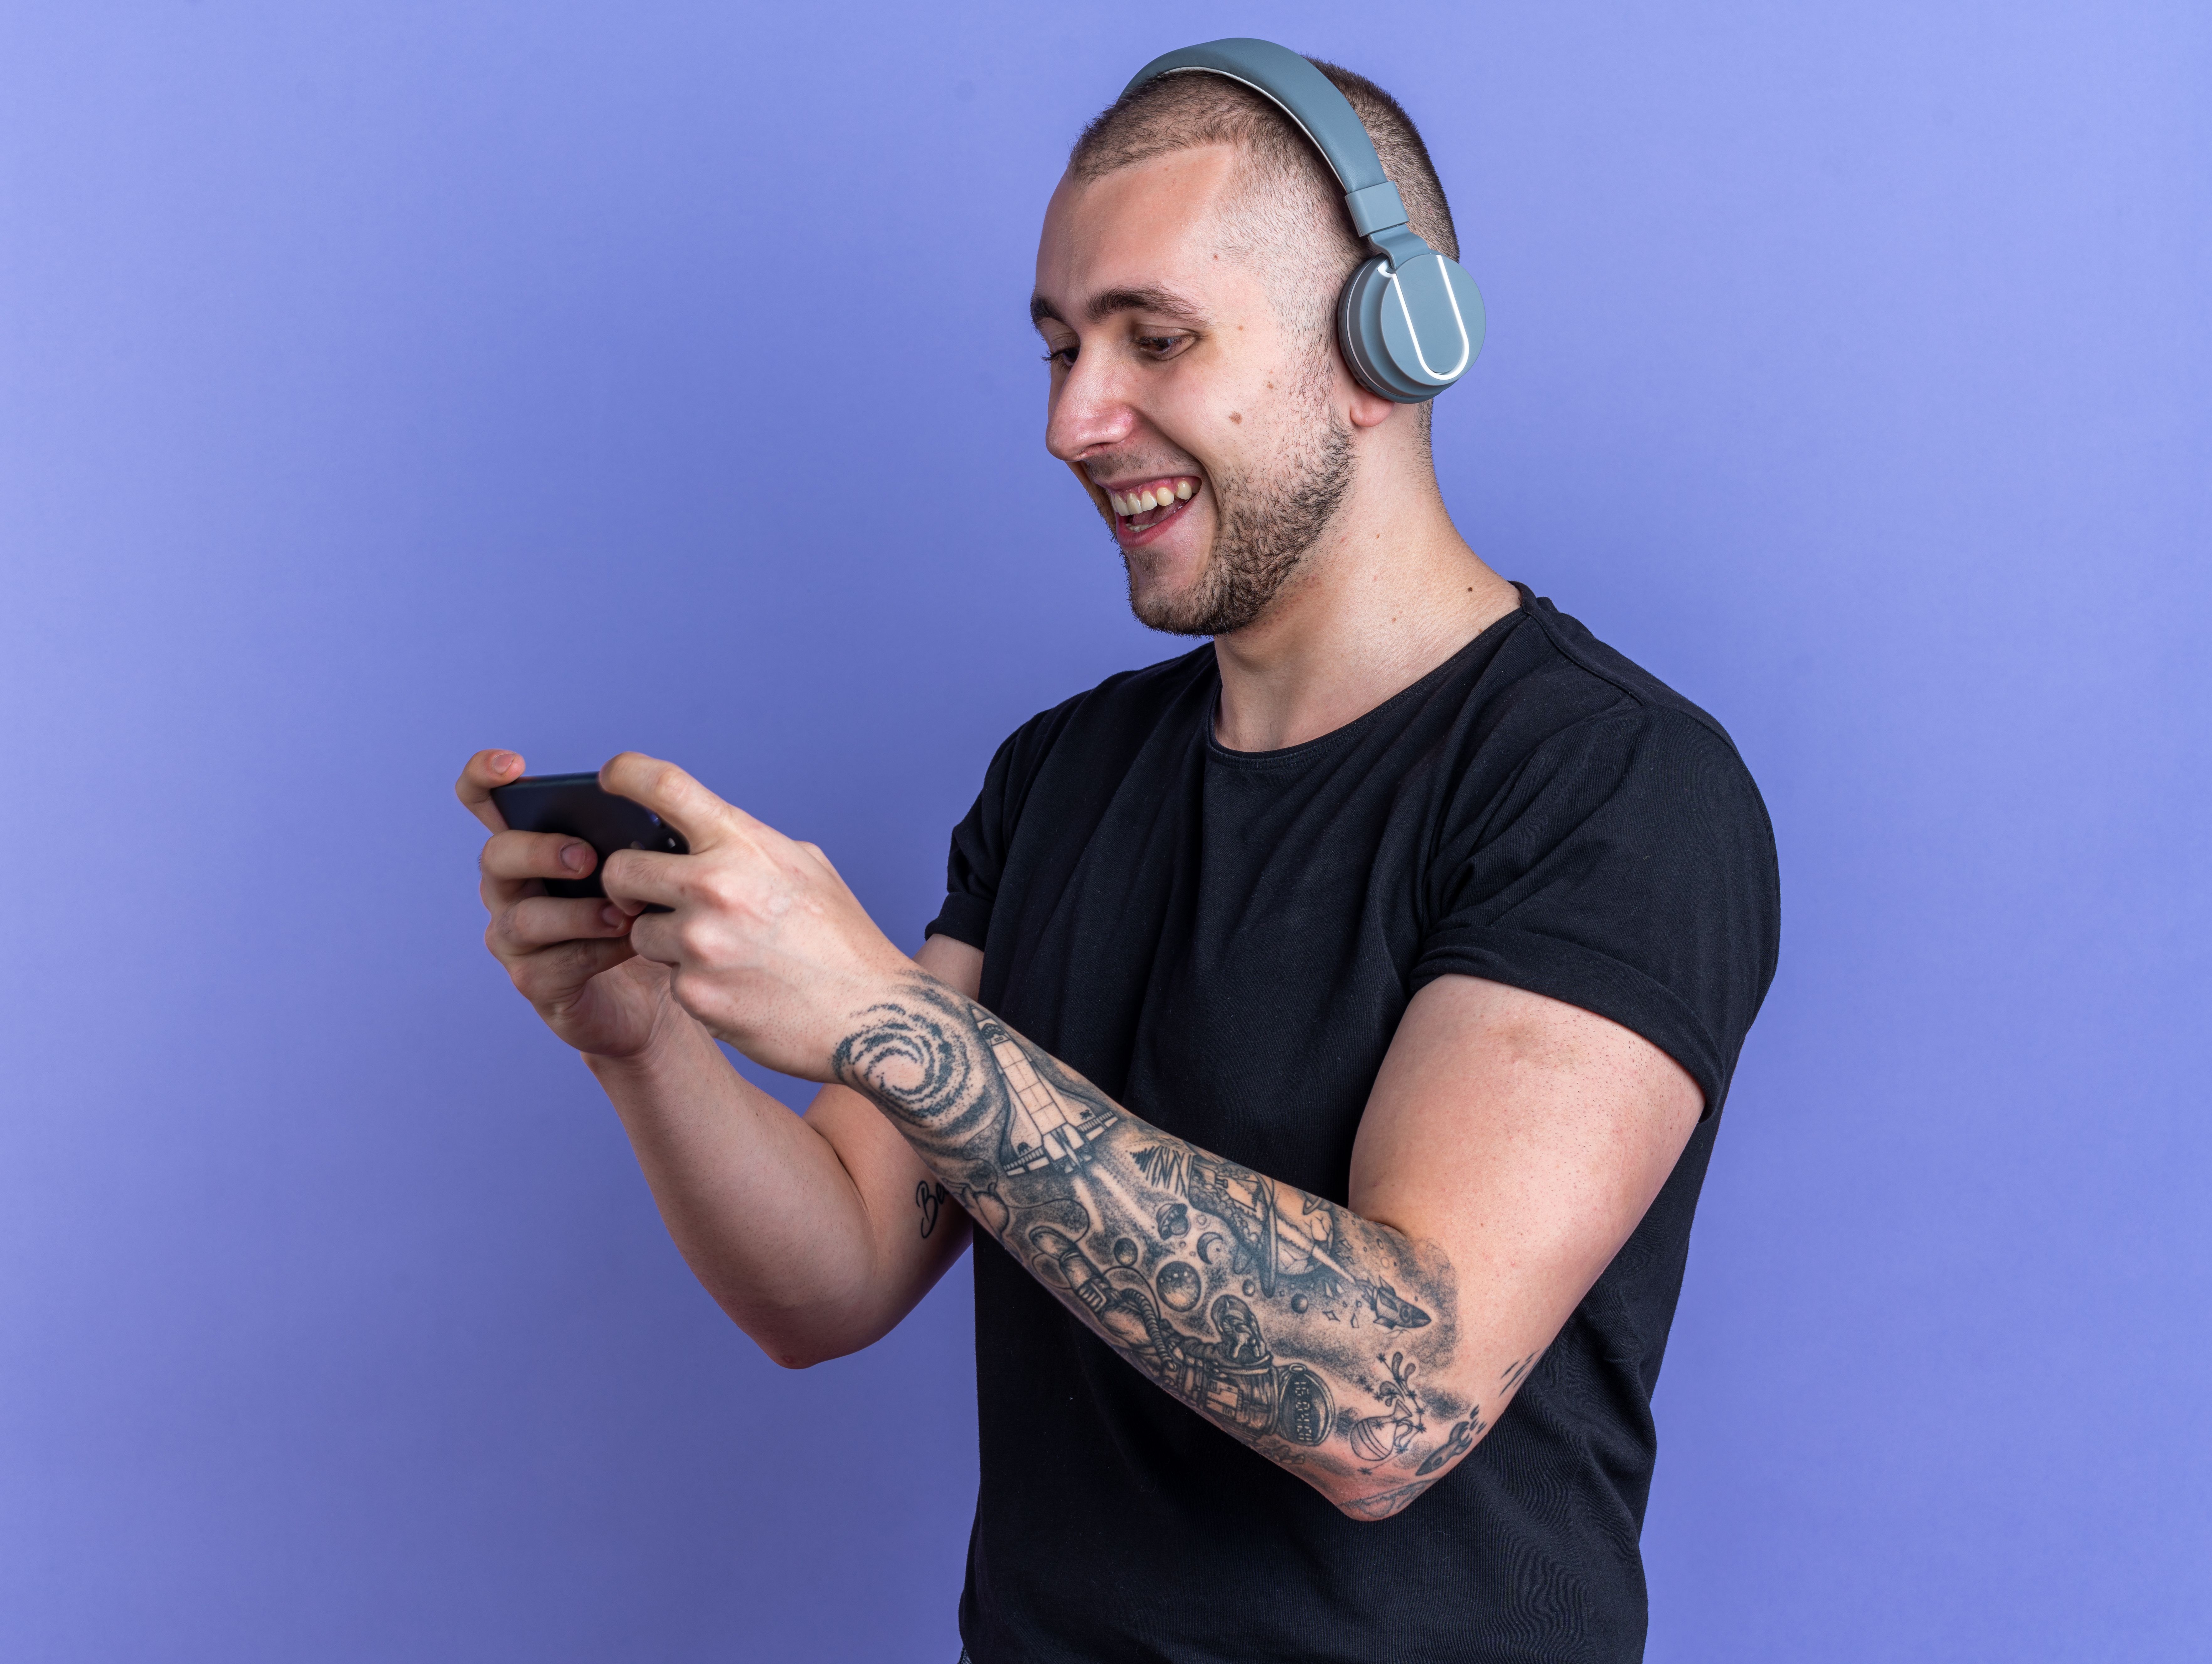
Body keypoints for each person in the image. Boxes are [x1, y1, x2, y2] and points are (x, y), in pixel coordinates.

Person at [456, 43, 1779, 1664]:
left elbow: (1394, 1397)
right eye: (1061, 348)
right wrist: (644, 1040)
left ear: (1388, 342)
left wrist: (893, 1018)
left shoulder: (1615, 781)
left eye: (1157, 339)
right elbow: (835, 1279)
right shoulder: (1064, 770)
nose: (1076, 420)